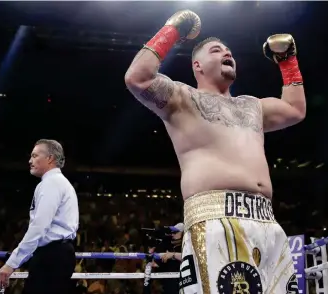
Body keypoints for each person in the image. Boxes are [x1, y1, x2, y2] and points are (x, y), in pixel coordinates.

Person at [125, 10, 306, 294]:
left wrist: (287, 60)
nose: (227, 52)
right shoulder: (183, 99)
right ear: (197, 65)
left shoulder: (253, 106)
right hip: (215, 221)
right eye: (217, 49)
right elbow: (138, 78)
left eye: (229, 50)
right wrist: (173, 29)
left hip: (267, 222)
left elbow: (295, 110)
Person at [0, 139, 79, 294]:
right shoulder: (60, 182)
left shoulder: (51, 183)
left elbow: (39, 228)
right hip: (57, 255)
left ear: (49, 159)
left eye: (34, 156)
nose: (30, 160)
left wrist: (11, 264)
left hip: (52, 256)